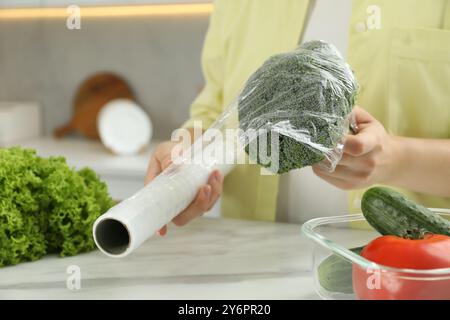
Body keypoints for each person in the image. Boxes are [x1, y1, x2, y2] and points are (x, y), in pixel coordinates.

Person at [146, 0, 450, 235]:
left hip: (403, 264)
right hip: (252, 261)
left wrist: (396, 160)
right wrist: (187, 159)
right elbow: (215, 114)